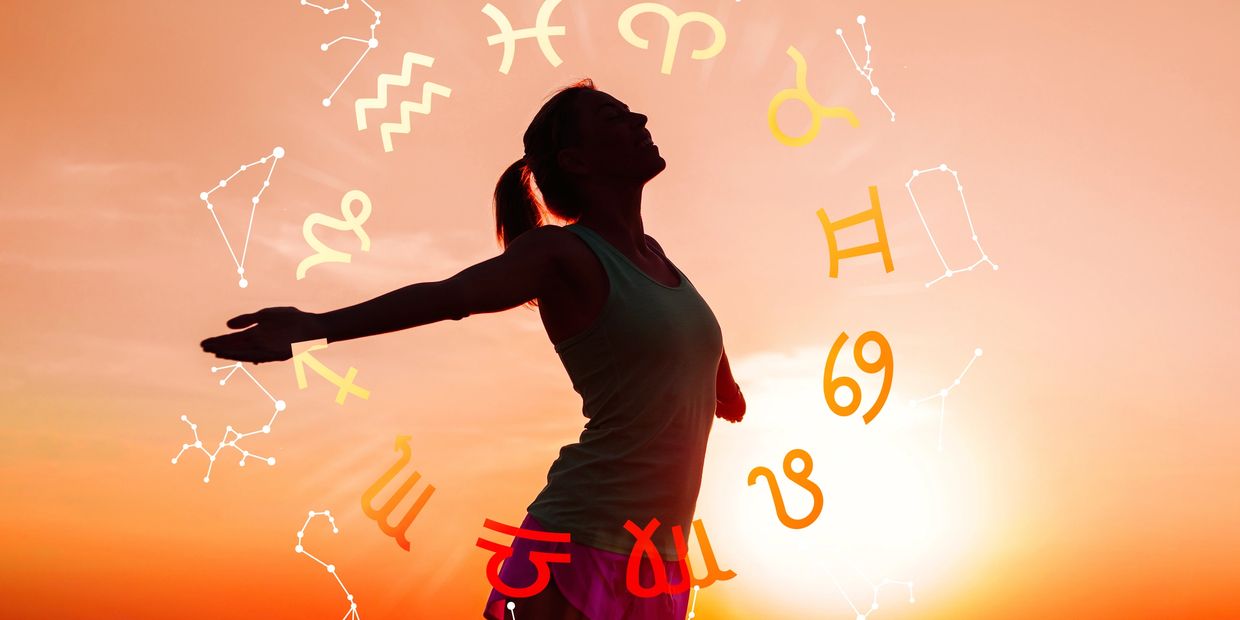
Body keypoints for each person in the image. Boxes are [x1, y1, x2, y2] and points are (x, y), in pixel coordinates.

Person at [200, 78, 746, 620]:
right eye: (614, 118)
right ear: (576, 161)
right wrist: (315, 325)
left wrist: (723, 384)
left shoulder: (656, 257)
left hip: (659, 564)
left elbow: (686, 335)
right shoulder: (561, 254)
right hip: (581, 545)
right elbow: (450, 296)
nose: (640, 122)